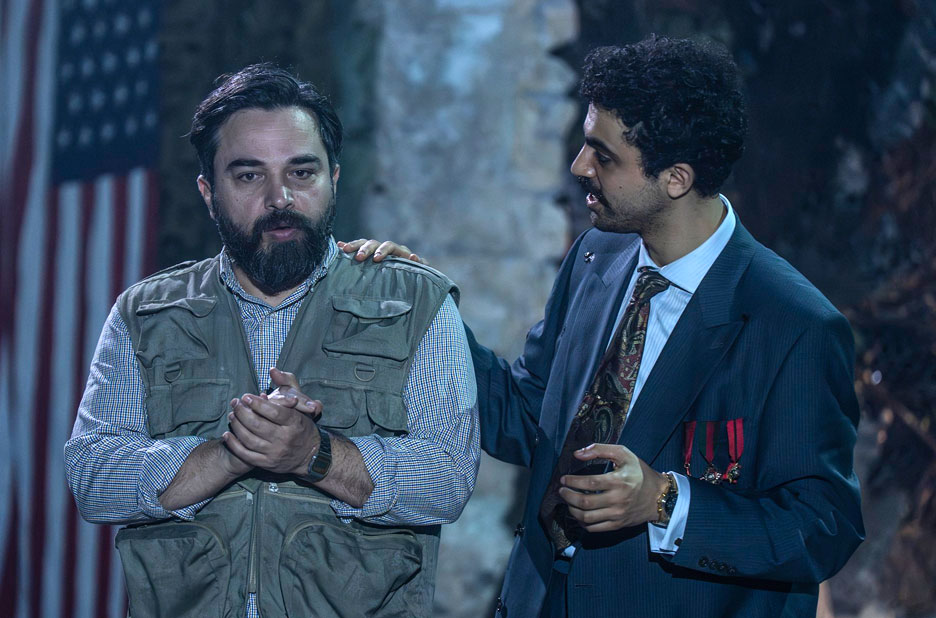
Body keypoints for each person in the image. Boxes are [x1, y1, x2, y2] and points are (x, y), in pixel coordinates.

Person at [345, 35, 864, 617]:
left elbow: (823, 526)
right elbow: (527, 417)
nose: (578, 166)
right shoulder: (598, 257)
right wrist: (428, 317)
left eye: (604, 155)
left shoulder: (795, 325)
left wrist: (665, 501)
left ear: (676, 178)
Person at [65, 64, 479, 618]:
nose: (279, 197)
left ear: (335, 176)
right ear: (209, 193)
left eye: (301, 172)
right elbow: (93, 476)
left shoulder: (412, 302)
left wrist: (314, 454)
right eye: (248, 175)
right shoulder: (145, 314)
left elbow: (448, 477)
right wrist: (229, 455)